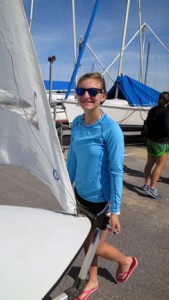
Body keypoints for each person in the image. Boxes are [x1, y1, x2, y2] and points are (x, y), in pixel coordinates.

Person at [66, 72, 138, 300]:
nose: (86, 96)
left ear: (103, 96)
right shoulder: (77, 123)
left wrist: (115, 210)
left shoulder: (111, 129)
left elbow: (117, 171)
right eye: (81, 91)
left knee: (95, 245)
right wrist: (67, 190)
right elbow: (73, 160)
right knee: (88, 243)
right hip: (81, 195)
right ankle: (93, 280)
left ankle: (126, 261)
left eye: (92, 92)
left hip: (102, 201)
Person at [143, 91, 169, 199]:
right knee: (159, 165)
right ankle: (152, 189)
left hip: (150, 140)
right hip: (162, 142)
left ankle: (146, 184)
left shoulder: (152, 110)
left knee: (150, 163)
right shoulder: (167, 112)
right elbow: (167, 128)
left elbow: (147, 123)